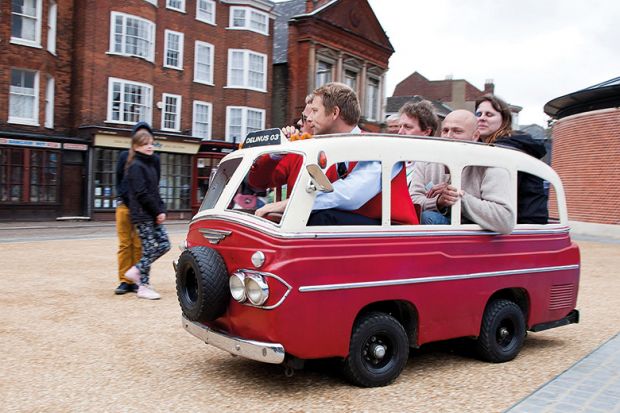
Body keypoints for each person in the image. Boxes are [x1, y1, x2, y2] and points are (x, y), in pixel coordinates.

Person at [255, 82, 418, 226]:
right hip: (361, 227)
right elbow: (260, 181)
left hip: (395, 234)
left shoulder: (379, 147)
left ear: (334, 113)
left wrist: (287, 205)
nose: (308, 120)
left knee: (320, 218)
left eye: (314, 111)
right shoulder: (328, 148)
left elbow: (350, 194)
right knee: (312, 217)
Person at [411, 110, 515, 234]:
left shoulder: (492, 164)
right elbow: (412, 202)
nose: (448, 136)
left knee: (428, 217)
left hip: (475, 237)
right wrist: (438, 202)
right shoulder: (425, 161)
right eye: (445, 130)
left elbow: (505, 220)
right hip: (440, 231)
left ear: (475, 136)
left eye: (457, 131)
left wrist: (458, 197)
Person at [475, 94, 548, 224]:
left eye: (489, 114)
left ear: (504, 120)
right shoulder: (486, 148)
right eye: (478, 114)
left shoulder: (506, 149)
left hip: (523, 224)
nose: (481, 118)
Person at [123, 123, 171, 300]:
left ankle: (140, 278)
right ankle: (141, 282)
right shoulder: (136, 166)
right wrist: (157, 211)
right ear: (136, 147)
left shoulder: (150, 164)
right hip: (143, 215)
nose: (149, 146)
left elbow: (154, 190)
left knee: (164, 244)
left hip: (152, 212)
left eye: (151, 143)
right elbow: (142, 193)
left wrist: (161, 209)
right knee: (151, 248)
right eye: (145, 144)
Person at [114, 122, 160, 295]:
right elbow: (119, 182)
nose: (146, 143)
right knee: (125, 244)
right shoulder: (124, 156)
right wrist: (126, 201)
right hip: (125, 206)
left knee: (141, 244)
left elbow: (153, 185)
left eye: (148, 137)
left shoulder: (154, 159)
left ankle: (139, 280)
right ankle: (125, 281)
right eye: (141, 137)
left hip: (143, 209)